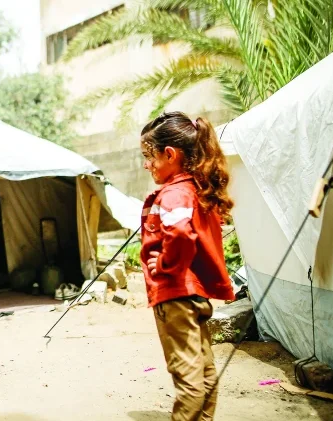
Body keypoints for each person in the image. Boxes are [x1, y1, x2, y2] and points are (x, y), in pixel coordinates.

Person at [138, 111, 236, 420]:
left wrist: (165, 264)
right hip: (196, 294)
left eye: (148, 156)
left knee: (188, 378)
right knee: (205, 372)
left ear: (169, 153)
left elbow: (179, 233)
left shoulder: (174, 193)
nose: (146, 164)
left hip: (176, 295)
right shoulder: (197, 189)